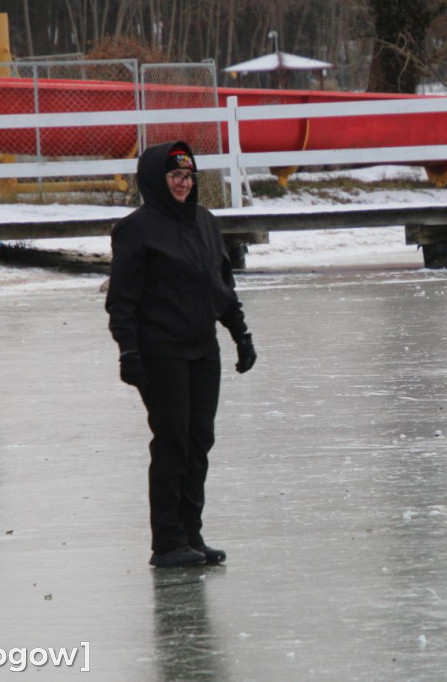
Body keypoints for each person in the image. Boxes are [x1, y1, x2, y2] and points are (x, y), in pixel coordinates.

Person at [106, 141, 257, 568]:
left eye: (189, 176)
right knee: (172, 441)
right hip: (161, 352)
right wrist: (129, 350)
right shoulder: (137, 229)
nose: (183, 183)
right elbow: (122, 299)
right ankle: (167, 541)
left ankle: (191, 533)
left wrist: (240, 334)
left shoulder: (204, 222)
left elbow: (219, 285)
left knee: (198, 441)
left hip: (203, 350)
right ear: (157, 179)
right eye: (175, 176)